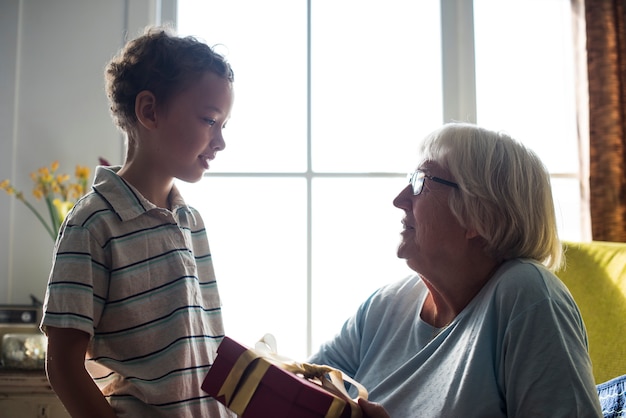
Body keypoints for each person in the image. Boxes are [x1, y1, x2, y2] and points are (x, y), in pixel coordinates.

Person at [309, 123, 603, 417]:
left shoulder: (528, 295)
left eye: (420, 182)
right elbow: (299, 391)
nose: (399, 200)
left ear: (480, 214)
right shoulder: (383, 306)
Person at [40, 26, 236, 417]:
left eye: (223, 126)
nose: (220, 142)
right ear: (149, 111)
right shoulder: (92, 224)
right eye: (209, 121)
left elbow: (205, 347)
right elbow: (62, 365)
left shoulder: (191, 221)